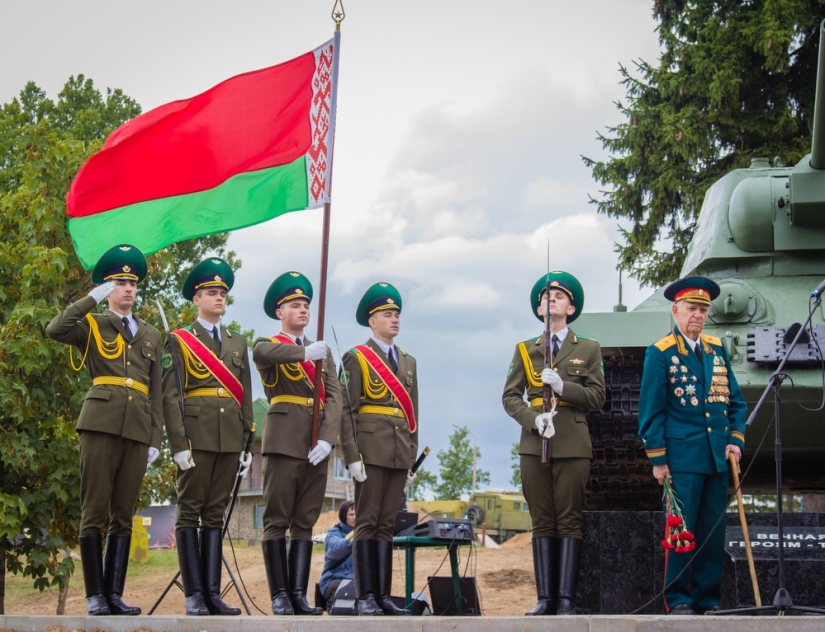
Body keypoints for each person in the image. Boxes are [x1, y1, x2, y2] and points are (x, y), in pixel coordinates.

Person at [45, 244, 162, 616]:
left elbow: (157, 391)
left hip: (138, 427)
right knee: (94, 509)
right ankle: (95, 594)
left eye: (132, 283)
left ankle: (114, 594)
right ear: (108, 288)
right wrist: (89, 300)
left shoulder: (151, 334)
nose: (127, 288)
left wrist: (155, 437)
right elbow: (54, 329)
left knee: (123, 514)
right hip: (100, 423)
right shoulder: (93, 324)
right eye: (119, 283)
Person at [638, 276, 747, 615]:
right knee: (680, 532)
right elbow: (651, 411)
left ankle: (708, 599)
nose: (698, 315)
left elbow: (736, 402)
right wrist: (658, 459)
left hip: (716, 457)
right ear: (676, 311)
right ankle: (679, 598)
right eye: (691, 309)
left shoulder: (716, 349)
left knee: (712, 533)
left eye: (703, 310)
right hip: (681, 458)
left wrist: (735, 440)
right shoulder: (661, 353)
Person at [502, 271, 605, 616]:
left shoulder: (588, 348)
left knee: (569, 519)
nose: (552, 300)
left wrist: (563, 387)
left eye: (559, 296)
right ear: (538, 308)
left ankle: (565, 600)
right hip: (535, 443)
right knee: (542, 520)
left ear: (571, 308)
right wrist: (533, 420)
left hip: (572, 441)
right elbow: (510, 397)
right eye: (546, 297)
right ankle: (545, 599)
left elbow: (598, 396)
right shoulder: (525, 349)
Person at [161, 257, 254, 616]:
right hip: (196, 435)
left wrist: (247, 442)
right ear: (196, 299)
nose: (218, 298)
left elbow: (244, 394)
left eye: (222, 293)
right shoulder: (180, 340)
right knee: (190, 512)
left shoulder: (237, 342)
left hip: (230, 437)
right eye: (211, 293)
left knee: (215, 514)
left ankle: (212, 593)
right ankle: (194, 594)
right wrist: (178, 443)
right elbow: (171, 395)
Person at [252, 271, 342, 616]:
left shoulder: (323, 353)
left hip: (316, 442)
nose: (303, 309)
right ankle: (279, 596)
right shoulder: (271, 345)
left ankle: (297, 596)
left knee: (304, 521)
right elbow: (262, 352)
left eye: (305, 305)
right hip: (285, 439)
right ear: (280, 312)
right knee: (277, 518)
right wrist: (304, 354)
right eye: (294, 305)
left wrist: (328, 438)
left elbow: (335, 397)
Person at [340, 282, 418, 616]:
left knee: (387, 524)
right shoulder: (357, 357)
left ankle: (383, 597)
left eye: (397, 314)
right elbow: (347, 410)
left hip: (399, 451)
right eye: (387, 314)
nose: (394, 319)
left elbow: (413, 413)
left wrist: (411, 457)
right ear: (372, 321)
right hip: (370, 450)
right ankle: (365, 597)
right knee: (367, 522)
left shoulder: (409, 362)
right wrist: (351, 455)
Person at [319, 500, 356, 605]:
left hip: (356, 581)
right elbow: (334, 549)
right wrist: (351, 541)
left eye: (357, 514)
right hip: (334, 579)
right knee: (353, 590)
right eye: (351, 514)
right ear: (343, 516)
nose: (355, 517)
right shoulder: (334, 533)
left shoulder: (365, 533)